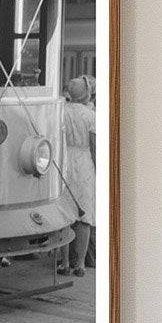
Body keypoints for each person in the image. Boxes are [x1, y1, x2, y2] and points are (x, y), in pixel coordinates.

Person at [59, 74, 96, 277]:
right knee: (84, 216)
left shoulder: (61, 112)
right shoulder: (91, 116)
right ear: (86, 95)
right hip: (84, 164)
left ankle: (64, 263)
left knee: (64, 215)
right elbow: (94, 147)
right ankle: (80, 264)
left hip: (64, 161)